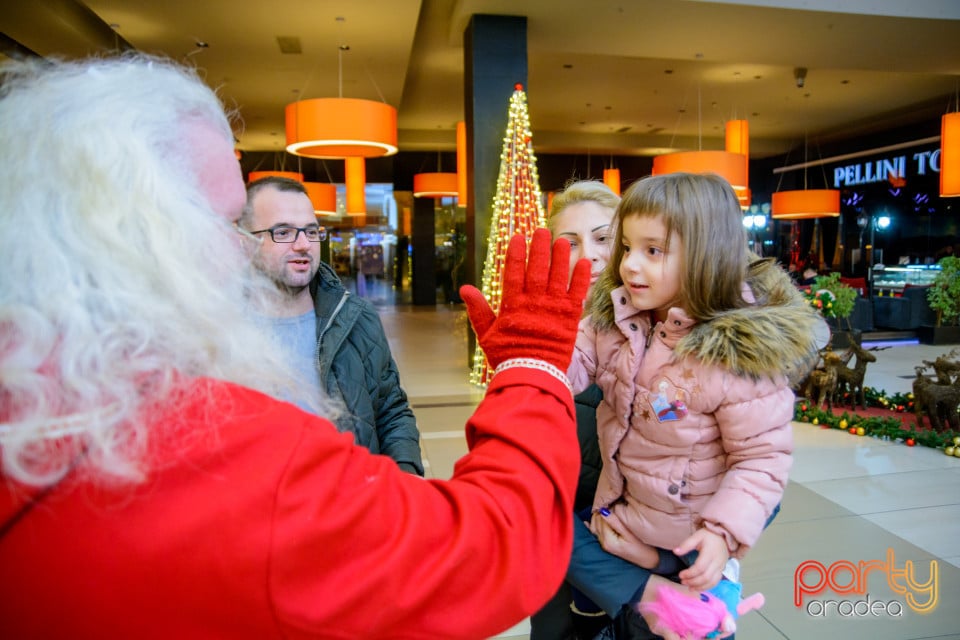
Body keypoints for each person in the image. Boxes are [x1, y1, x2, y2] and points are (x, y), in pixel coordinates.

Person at [0, 54, 592, 638]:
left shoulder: (36, 405)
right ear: (141, 234)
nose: (240, 249)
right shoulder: (213, 448)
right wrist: (532, 364)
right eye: (229, 222)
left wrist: (400, 483)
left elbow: (391, 409)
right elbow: (486, 553)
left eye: (308, 229)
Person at [565, 173, 822, 638]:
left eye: (653, 250)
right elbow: (569, 362)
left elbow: (761, 459)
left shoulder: (736, 353)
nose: (628, 266)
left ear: (707, 256)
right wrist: (531, 357)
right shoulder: (618, 320)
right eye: (627, 248)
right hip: (623, 517)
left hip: (689, 543)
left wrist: (722, 536)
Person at [241, 176, 424, 475]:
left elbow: (391, 410)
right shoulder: (218, 331)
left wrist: (406, 479)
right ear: (246, 241)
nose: (303, 245)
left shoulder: (355, 317)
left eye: (311, 232)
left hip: (353, 508)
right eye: (284, 232)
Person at [531, 179, 619, 640]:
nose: (589, 255)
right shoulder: (536, 337)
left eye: (603, 238)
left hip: (652, 562)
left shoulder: (670, 333)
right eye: (570, 243)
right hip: (562, 563)